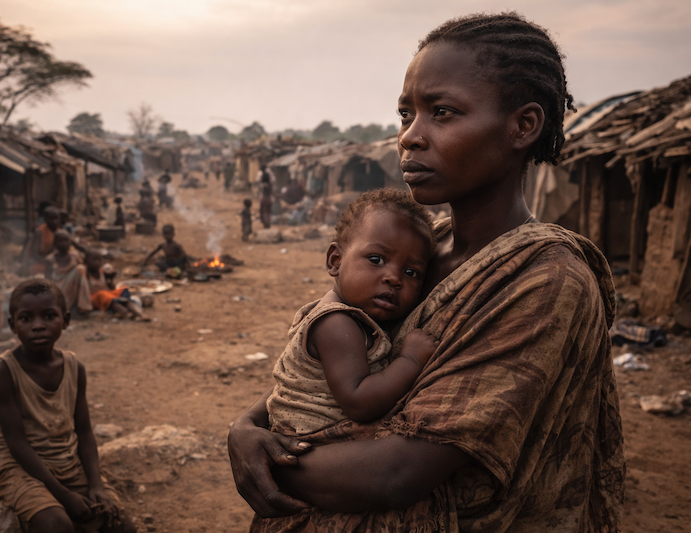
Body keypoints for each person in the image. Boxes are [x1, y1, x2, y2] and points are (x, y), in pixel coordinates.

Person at [228, 12, 625, 533]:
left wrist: (263, 463)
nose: (411, 138)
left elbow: (399, 471)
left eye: (443, 112)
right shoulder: (421, 249)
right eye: (405, 114)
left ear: (523, 126)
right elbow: (339, 368)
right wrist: (249, 426)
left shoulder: (544, 280)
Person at [268, 189, 438, 437]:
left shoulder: (357, 316)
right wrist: (410, 361)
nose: (393, 278)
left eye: (411, 272)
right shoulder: (336, 323)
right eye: (376, 259)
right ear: (335, 261)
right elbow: (359, 403)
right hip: (312, 444)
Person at [0, 278, 135, 533]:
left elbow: (84, 431)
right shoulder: (3, 371)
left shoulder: (75, 368)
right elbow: (16, 444)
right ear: (12, 325)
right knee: (57, 525)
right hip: (16, 464)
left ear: (65, 320)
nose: (38, 326)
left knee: (121, 525)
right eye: (26, 318)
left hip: (65, 459)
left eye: (49, 316)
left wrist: (96, 484)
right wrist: (64, 495)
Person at [85, 251, 148, 321]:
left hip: (108, 296)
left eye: (99, 260)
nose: (97, 263)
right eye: (94, 260)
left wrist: (111, 281)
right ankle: (124, 312)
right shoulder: (85, 273)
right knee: (102, 294)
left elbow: (110, 287)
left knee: (123, 290)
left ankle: (140, 314)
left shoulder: (101, 272)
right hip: (95, 298)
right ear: (86, 261)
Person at [45, 230, 92, 315]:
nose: (63, 244)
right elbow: (47, 281)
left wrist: (75, 244)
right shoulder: (50, 259)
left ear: (70, 242)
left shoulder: (75, 257)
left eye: (66, 240)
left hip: (72, 292)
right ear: (55, 243)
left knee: (81, 269)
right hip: (58, 293)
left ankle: (83, 308)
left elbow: (89, 252)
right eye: (60, 241)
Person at [23, 206, 60, 276]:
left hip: (52, 261)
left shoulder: (59, 232)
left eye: (56, 218)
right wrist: (48, 261)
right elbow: (34, 253)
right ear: (45, 219)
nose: (54, 221)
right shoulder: (39, 232)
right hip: (38, 261)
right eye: (51, 218)